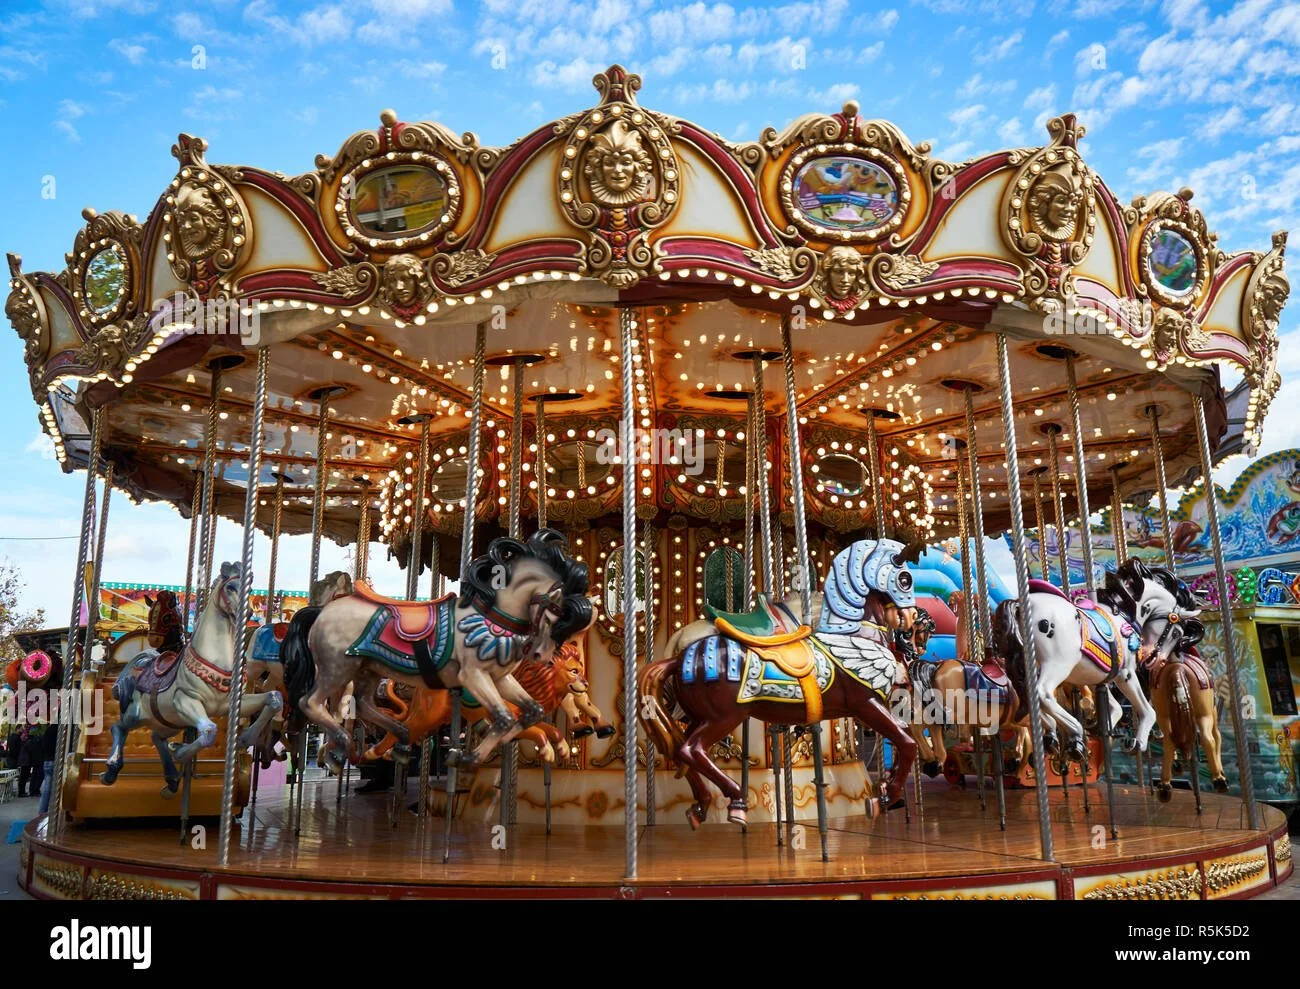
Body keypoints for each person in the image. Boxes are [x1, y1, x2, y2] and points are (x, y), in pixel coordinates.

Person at [39, 717, 58, 814]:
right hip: (54, 760)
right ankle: (44, 811)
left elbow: (43, 747)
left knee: (47, 788)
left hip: (47, 760)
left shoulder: (48, 731)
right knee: (51, 789)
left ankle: (42, 810)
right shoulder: (57, 731)